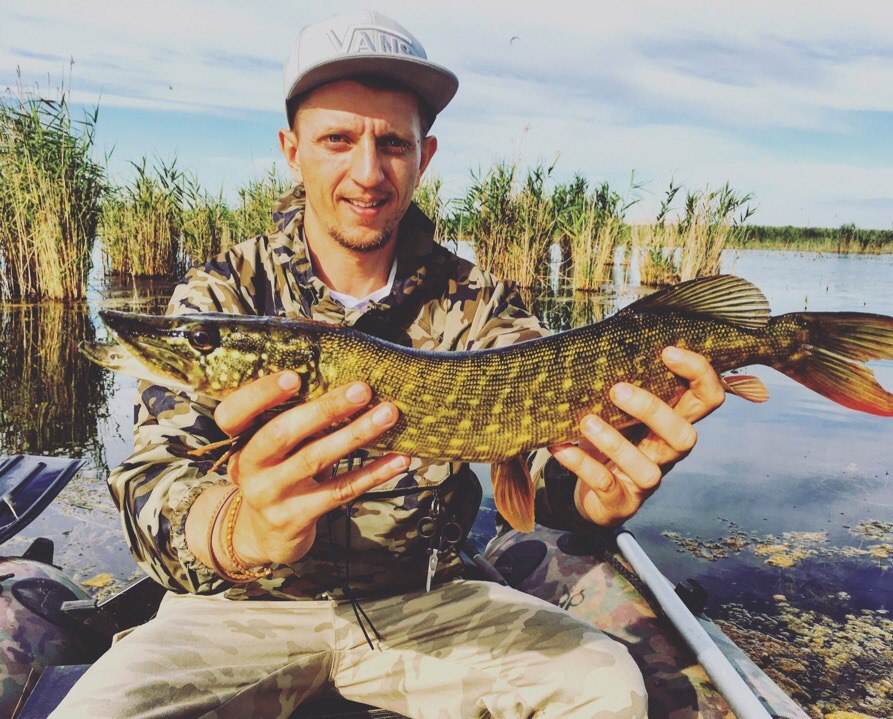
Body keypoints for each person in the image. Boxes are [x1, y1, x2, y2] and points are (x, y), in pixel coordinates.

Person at [51, 10, 725, 719]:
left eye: (393, 143)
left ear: (424, 156)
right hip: (236, 608)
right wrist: (237, 530)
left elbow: (542, 473)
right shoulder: (220, 298)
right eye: (337, 139)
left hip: (427, 604)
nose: (368, 173)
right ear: (292, 149)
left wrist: (598, 489)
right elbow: (151, 485)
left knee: (606, 683)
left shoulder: (481, 302)